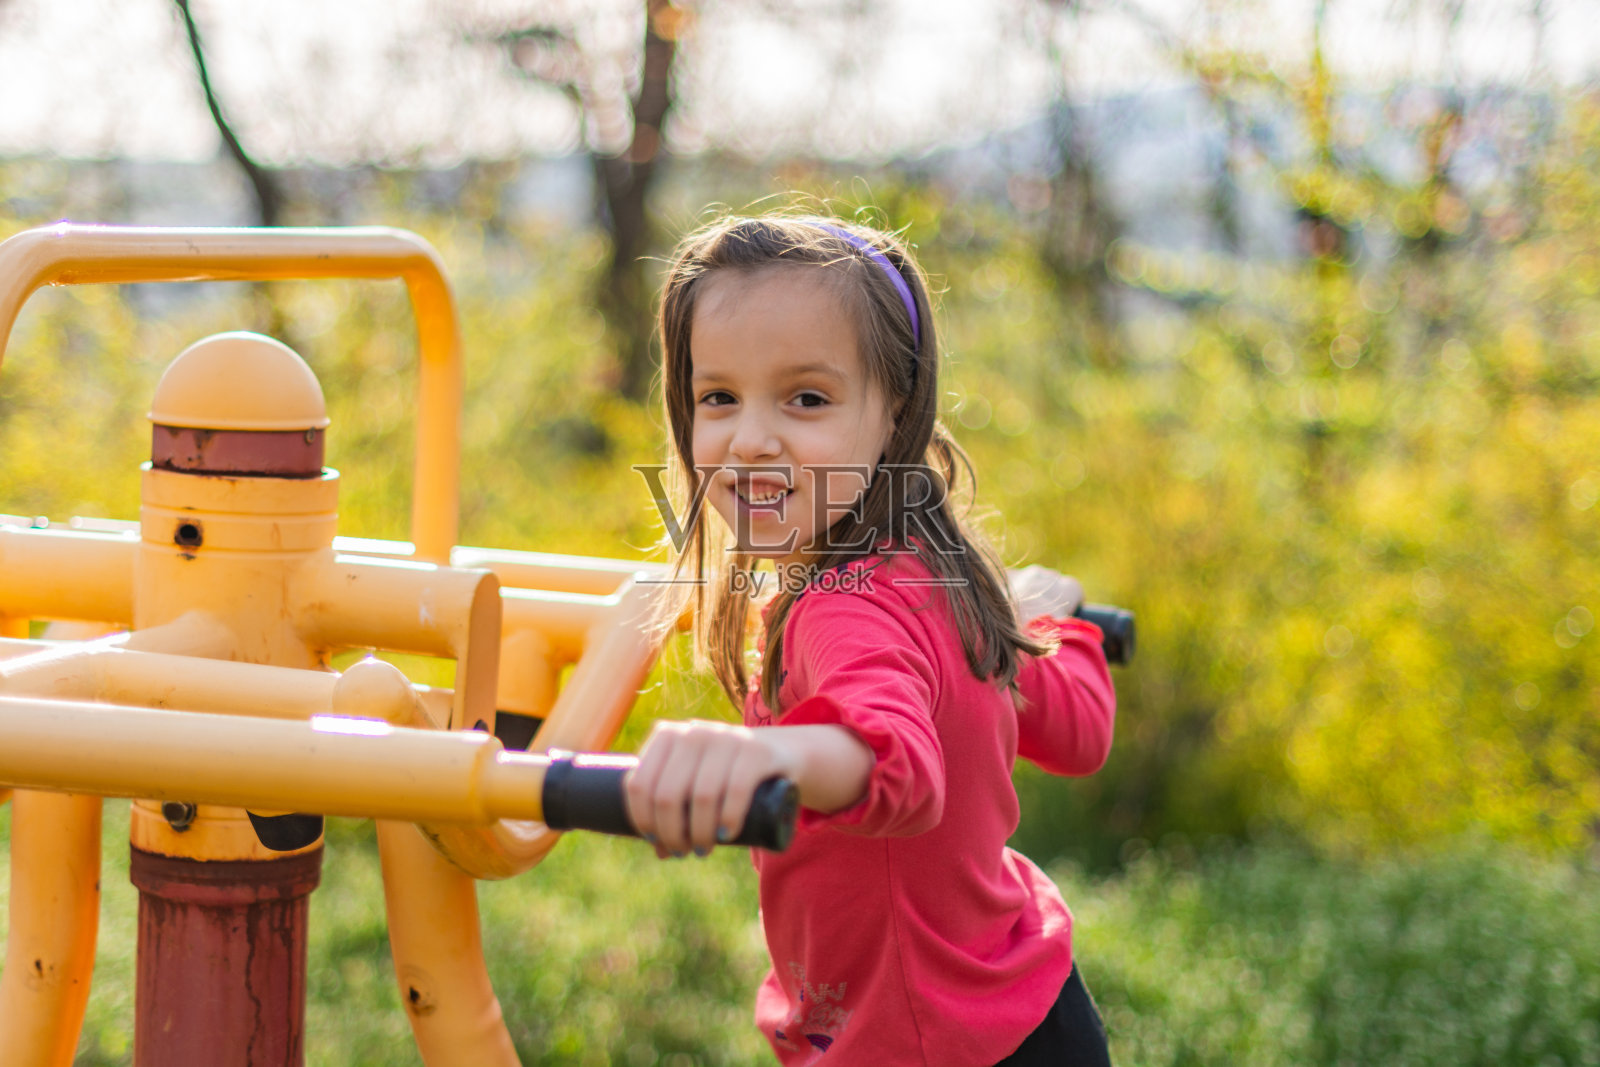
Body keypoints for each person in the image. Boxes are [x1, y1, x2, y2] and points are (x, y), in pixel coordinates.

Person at [625, 213, 1116, 1066]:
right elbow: (1079, 729)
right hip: (1033, 1012)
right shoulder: (944, 571)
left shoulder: (838, 607)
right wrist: (1053, 621)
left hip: (924, 1044)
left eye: (806, 398)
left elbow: (895, 760)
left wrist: (767, 760)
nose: (749, 440)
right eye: (718, 398)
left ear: (897, 408)